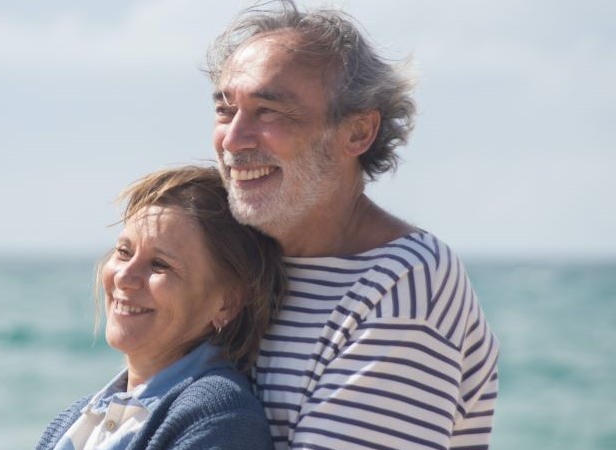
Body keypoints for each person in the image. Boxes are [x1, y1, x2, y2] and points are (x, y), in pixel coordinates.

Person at [205, 2, 500, 449]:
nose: (232, 138)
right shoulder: (230, 258)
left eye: (268, 111)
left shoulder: (405, 280)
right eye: (226, 110)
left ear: (358, 132)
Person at [36, 166, 286, 450]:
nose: (123, 277)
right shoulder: (74, 421)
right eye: (124, 252)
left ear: (227, 301)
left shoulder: (218, 417)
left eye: (160, 264)